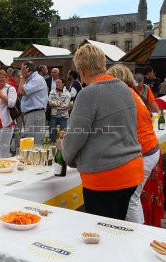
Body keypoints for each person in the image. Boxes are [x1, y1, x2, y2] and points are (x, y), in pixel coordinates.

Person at [61, 44, 143, 220]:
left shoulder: (88, 94)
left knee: (101, 233)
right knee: (116, 227)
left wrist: (64, 150)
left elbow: (75, 137)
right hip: (131, 170)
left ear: (81, 70)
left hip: (105, 177)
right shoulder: (124, 88)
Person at [107, 64, 160, 224]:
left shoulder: (123, 95)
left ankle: (137, 238)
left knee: (131, 199)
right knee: (132, 198)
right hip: (148, 149)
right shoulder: (132, 93)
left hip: (144, 151)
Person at [19, 61, 48, 145]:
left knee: (31, 141)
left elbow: (20, 91)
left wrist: (22, 78)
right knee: (30, 141)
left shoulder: (37, 79)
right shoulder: (32, 79)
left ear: (28, 69)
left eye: (22, 70)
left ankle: (32, 158)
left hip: (34, 113)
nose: (21, 72)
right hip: (33, 114)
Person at [48, 78, 71, 143]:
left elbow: (66, 105)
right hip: (53, 115)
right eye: (56, 82)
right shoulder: (52, 91)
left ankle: (63, 146)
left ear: (63, 84)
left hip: (63, 116)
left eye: (59, 82)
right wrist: (60, 103)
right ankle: (53, 144)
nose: (57, 83)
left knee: (64, 132)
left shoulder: (67, 93)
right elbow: (50, 102)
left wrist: (55, 104)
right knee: (52, 132)